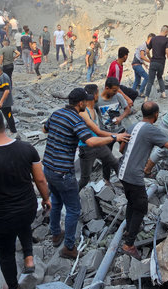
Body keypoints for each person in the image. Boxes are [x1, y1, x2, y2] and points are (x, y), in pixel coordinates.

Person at [0, 110, 51, 289]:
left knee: (6, 252)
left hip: (2, 216)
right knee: (24, 227)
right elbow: (40, 180)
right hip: (28, 208)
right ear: (4, 126)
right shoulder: (27, 149)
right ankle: (29, 259)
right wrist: (46, 199)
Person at [42, 88, 129, 259]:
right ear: (81, 103)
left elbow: (45, 129)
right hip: (63, 172)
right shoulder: (76, 119)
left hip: (48, 168)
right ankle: (68, 247)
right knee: (74, 209)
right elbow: (90, 140)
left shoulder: (56, 114)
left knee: (57, 201)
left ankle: (55, 233)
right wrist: (114, 138)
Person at [118, 101, 168, 259]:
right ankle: (129, 244)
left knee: (132, 202)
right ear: (156, 115)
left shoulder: (133, 126)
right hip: (133, 175)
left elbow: (121, 148)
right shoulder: (153, 130)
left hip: (122, 172)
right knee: (141, 207)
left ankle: (128, 230)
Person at [78, 84, 122, 189]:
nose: (99, 95)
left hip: (98, 144)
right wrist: (116, 136)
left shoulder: (93, 108)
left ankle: (125, 184)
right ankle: (73, 195)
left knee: (115, 163)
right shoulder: (84, 112)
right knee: (84, 179)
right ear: (94, 95)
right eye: (98, 93)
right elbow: (97, 131)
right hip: (86, 147)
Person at [144, 25, 168, 100]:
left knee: (150, 81)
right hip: (161, 63)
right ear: (166, 31)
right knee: (160, 77)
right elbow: (167, 51)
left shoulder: (153, 39)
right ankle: (164, 94)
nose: (167, 34)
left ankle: (146, 97)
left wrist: (150, 58)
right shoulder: (167, 40)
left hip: (153, 62)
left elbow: (147, 51)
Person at [0, 66, 17, 135]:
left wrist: (1, 102)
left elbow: (6, 91)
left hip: (4, 102)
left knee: (8, 115)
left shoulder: (4, 77)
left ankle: (13, 131)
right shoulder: (1, 77)